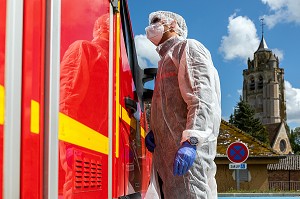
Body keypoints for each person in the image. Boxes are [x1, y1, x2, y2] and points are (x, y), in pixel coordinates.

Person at [144, 11, 221, 199]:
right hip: (167, 158)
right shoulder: (163, 61)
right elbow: (166, 108)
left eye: (156, 21)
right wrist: (154, 130)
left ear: (173, 25)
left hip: (187, 155)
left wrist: (192, 141)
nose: (150, 27)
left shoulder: (188, 47)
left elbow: (202, 98)